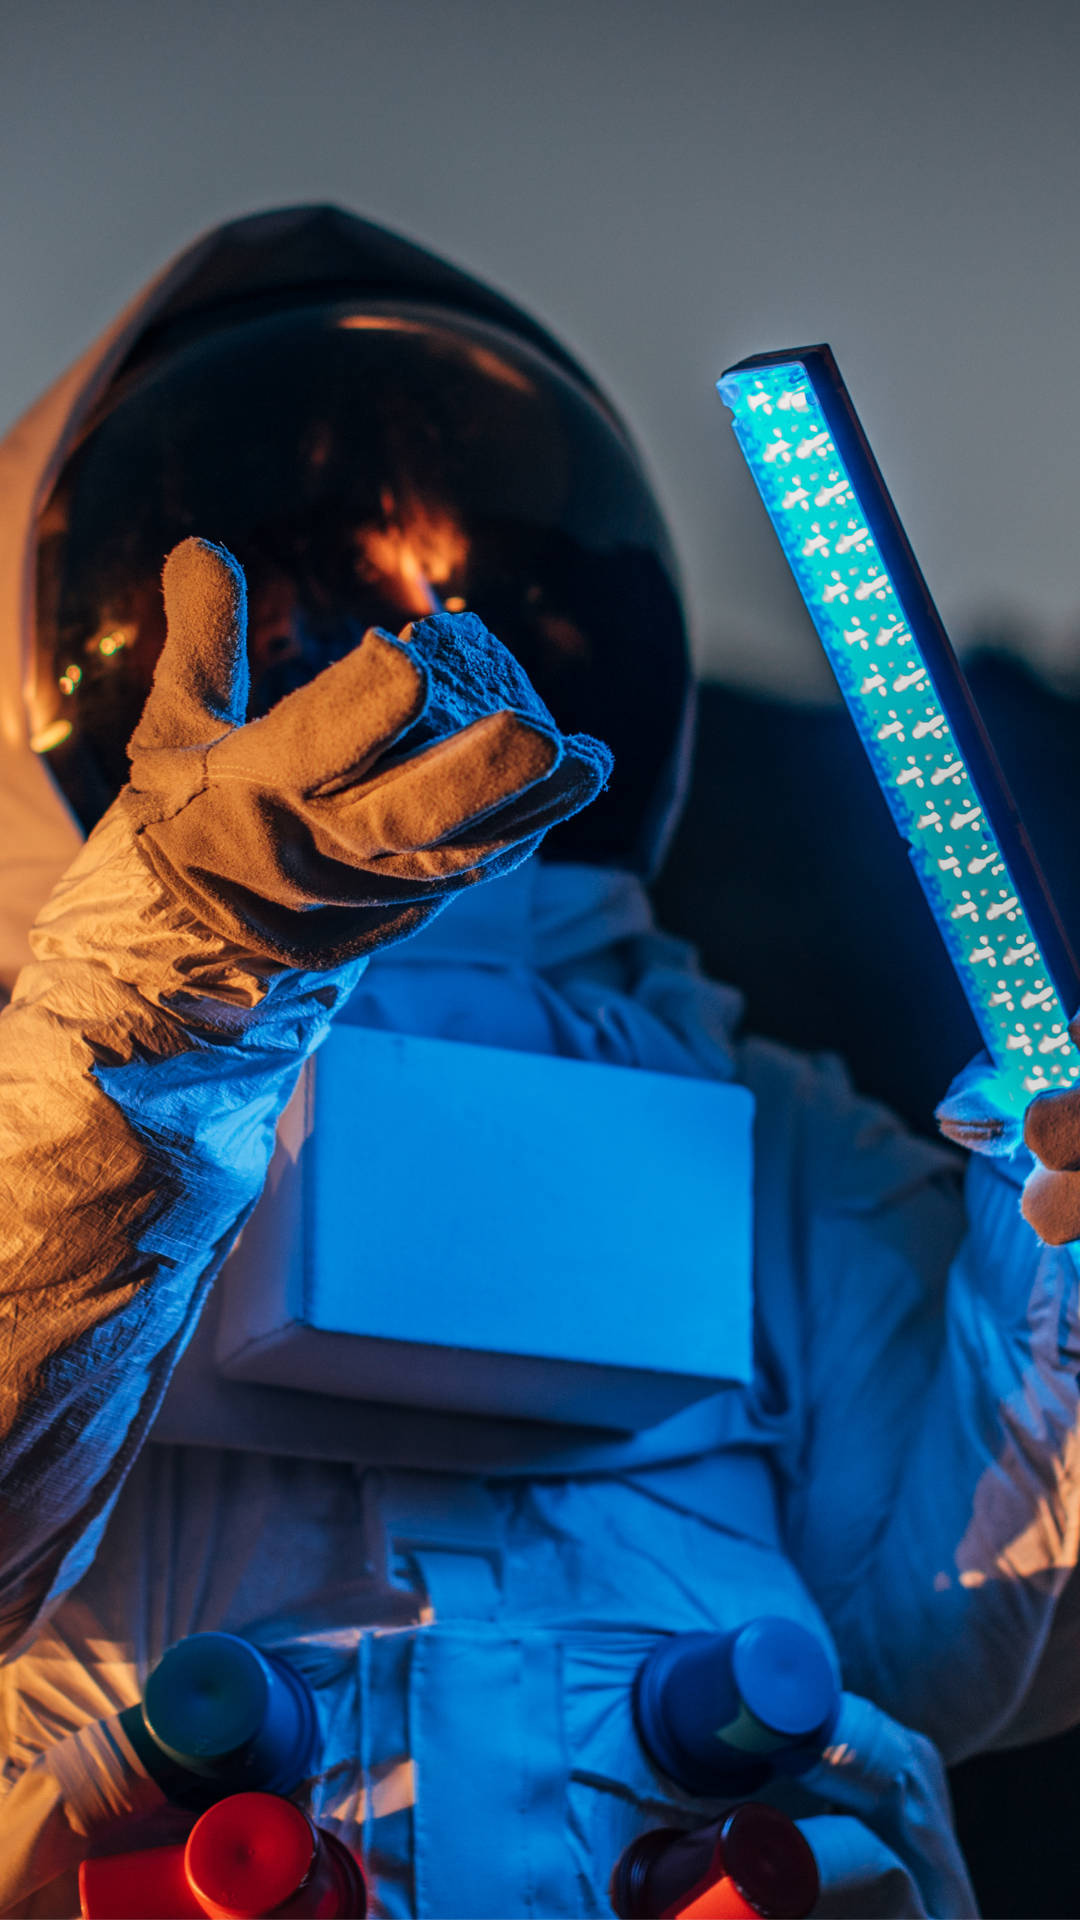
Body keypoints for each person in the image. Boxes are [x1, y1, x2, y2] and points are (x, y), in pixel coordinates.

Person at [0, 204, 1075, 1917]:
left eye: (433, 573)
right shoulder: (47, 1083)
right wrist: (161, 995)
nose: (383, 637)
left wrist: (1060, 1314)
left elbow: (953, 1618)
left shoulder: (741, 1113)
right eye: (301, 601)